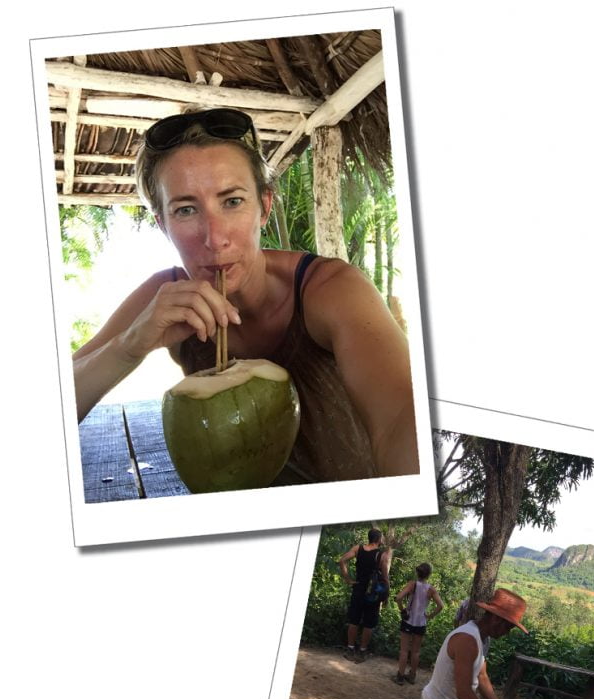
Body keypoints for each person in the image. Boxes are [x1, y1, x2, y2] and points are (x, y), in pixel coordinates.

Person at [72, 107, 418, 484]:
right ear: (163, 224)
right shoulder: (164, 297)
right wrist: (129, 346)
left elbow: (400, 415)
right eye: (186, 210)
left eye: (232, 201)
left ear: (264, 207)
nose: (214, 237)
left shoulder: (328, 288)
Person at [338, 529, 391, 663]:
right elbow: (385, 577)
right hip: (373, 593)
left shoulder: (358, 548)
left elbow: (342, 560)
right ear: (379, 539)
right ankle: (362, 652)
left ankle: (350, 649)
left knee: (354, 620)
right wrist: (386, 595)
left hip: (358, 588)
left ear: (369, 538)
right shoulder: (381, 555)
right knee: (368, 623)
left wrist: (348, 579)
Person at [392, 563, 443, 685]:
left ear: (417, 573)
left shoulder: (412, 584)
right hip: (421, 623)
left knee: (404, 650)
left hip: (408, 620)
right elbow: (441, 606)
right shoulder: (431, 589)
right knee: (415, 651)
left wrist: (402, 609)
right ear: (429, 574)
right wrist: (430, 615)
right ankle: (412, 676)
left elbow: (398, 597)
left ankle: (400, 676)